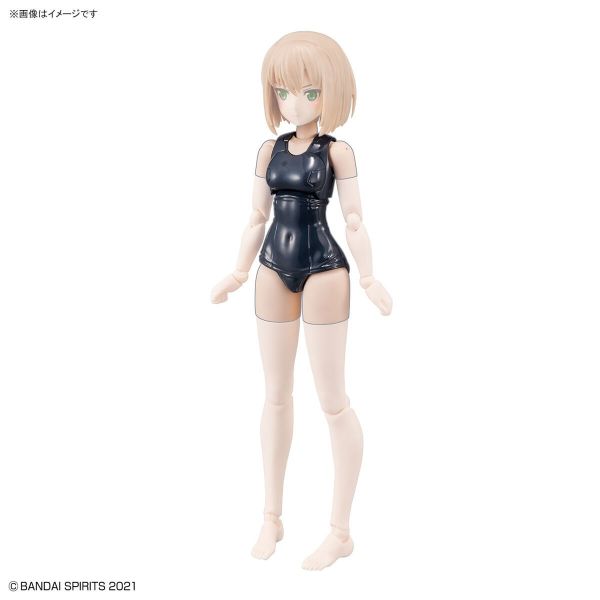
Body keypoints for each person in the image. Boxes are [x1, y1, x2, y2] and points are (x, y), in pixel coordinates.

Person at [210, 31, 392, 570]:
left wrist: (369, 277)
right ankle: (272, 517)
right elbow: (255, 216)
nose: (294, 102)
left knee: (332, 401)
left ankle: (340, 531)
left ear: (330, 92)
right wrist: (237, 271)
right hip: (271, 268)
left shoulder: (336, 151)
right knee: (275, 396)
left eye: (309, 92)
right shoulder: (267, 150)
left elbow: (354, 218)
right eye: (283, 91)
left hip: (325, 270)